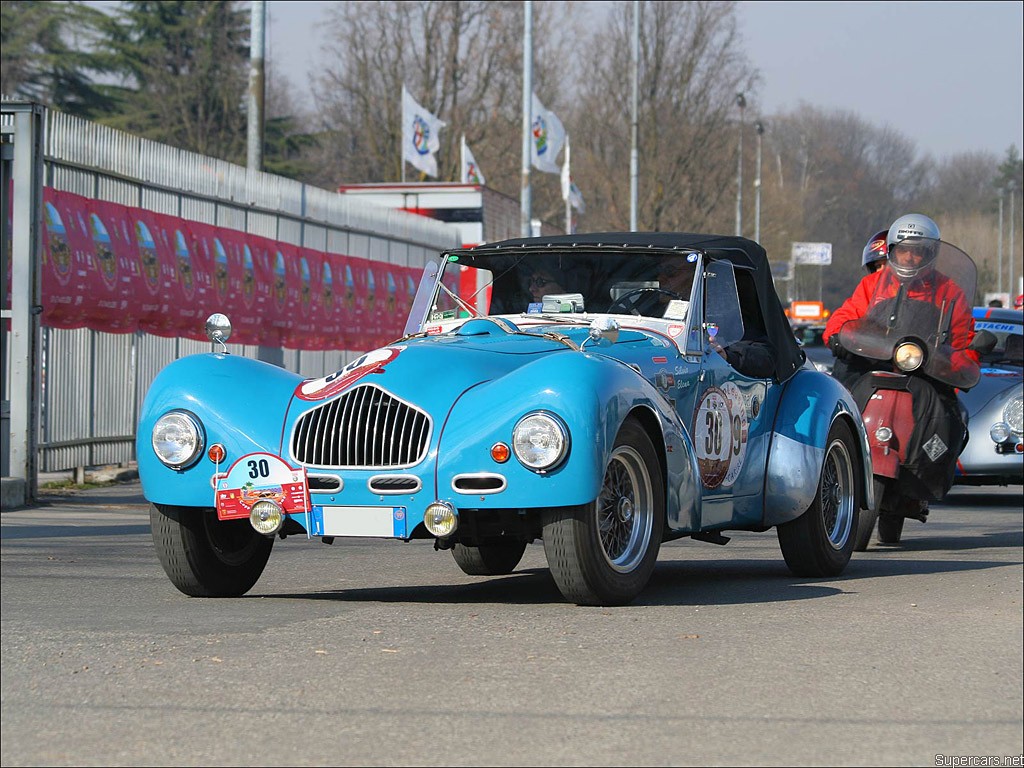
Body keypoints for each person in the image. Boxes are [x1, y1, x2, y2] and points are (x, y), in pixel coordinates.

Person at [824, 213, 978, 522]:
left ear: (930, 254)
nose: (910, 256)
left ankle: (924, 475)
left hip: (924, 369)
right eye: (903, 249)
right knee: (833, 400)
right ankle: (832, 463)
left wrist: (957, 363)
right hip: (873, 361)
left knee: (951, 418)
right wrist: (839, 335)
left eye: (917, 250)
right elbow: (845, 316)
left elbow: (964, 341)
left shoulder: (950, 293)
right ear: (891, 251)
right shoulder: (872, 285)